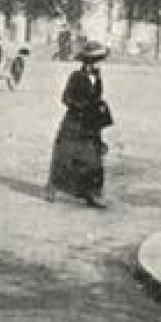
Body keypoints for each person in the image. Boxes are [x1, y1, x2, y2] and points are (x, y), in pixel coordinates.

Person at [45, 41, 113, 208]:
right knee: (66, 155)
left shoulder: (97, 77)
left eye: (98, 60)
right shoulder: (76, 76)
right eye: (94, 60)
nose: (96, 64)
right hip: (74, 122)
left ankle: (91, 193)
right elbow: (65, 98)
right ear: (86, 61)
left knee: (92, 158)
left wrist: (99, 109)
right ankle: (52, 187)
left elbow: (97, 97)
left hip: (90, 123)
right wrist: (80, 105)